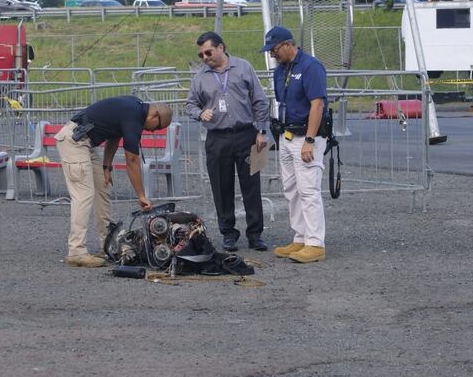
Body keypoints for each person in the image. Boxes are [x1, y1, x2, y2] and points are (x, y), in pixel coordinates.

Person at [55, 96, 173, 267]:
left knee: (103, 190)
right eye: (158, 127)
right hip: (74, 142)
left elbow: (114, 137)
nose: (153, 131)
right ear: (155, 115)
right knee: (84, 195)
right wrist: (141, 195)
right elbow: (132, 160)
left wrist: (106, 165)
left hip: (84, 143)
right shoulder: (134, 116)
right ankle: (76, 251)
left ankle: (107, 245)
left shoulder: (134, 108)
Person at [186, 31, 270, 252]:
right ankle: (228, 234)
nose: (205, 57)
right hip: (217, 138)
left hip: (247, 134)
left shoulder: (244, 67)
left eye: (208, 52)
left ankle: (255, 234)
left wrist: (262, 130)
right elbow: (189, 105)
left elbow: (260, 100)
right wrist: (199, 113)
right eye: (201, 54)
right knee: (221, 188)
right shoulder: (200, 77)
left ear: (221, 47)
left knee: (252, 186)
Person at [260, 26, 328, 263]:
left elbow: (317, 104)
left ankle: (315, 243)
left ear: (288, 44)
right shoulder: (281, 70)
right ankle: (300, 237)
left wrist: (309, 140)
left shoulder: (311, 66)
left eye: (274, 49)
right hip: (287, 136)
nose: (272, 55)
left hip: (305, 137)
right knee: (291, 189)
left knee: (308, 190)